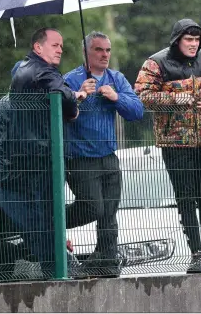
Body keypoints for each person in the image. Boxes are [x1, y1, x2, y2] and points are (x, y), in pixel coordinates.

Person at [0, 27, 91, 277]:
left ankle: (56, 263)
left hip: (17, 165)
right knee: (38, 219)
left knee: (43, 217)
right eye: (55, 45)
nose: (60, 49)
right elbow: (65, 100)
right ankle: (56, 267)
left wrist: (74, 100)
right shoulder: (41, 74)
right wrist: (75, 100)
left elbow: (63, 102)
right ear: (38, 48)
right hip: (4, 170)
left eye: (62, 45)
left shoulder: (28, 83)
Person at [135, 18, 201, 273]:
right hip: (174, 143)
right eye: (188, 40)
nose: (193, 44)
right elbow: (141, 94)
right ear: (177, 40)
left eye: (196, 40)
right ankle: (195, 254)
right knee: (185, 200)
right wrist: (174, 98)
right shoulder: (156, 63)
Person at [63, 31, 144, 277]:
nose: (105, 54)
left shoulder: (115, 78)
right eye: (99, 50)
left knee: (109, 213)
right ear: (86, 52)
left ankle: (106, 260)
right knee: (93, 207)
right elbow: (60, 113)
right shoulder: (70, 79)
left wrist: (116, 97)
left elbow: (137, 111)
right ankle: (50, 224)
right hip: (80, 158)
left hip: (109, 156)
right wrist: (79, 95)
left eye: (108, 50)